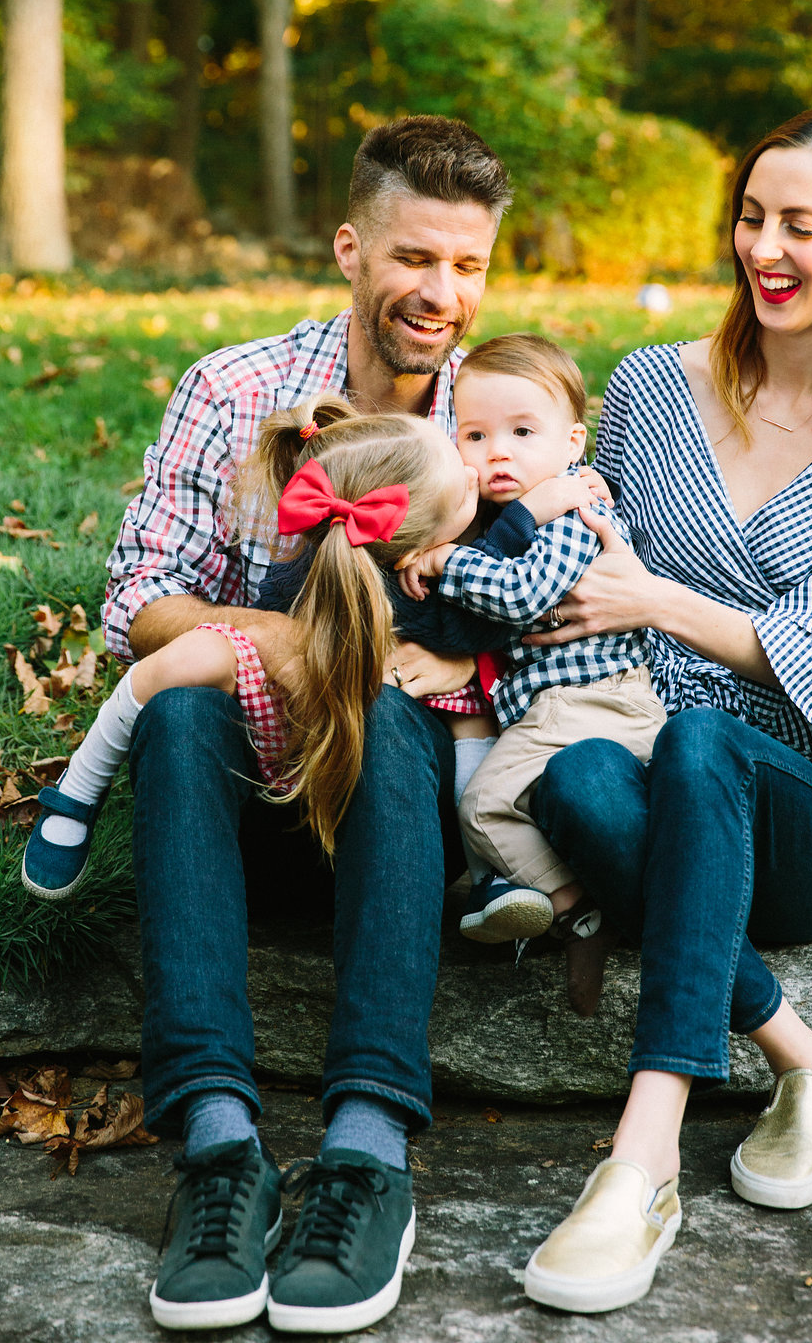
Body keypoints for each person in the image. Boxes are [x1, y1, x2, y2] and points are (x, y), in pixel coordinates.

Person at [517, 103, 812, 1315]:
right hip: (646, 781)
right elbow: (582, 556)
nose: (763, 248)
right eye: (750, 217)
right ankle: (801, 1062)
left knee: (703, 736)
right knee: (570, 783)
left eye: (800, 226)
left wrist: (662, 602)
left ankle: (642, 1155)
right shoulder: (653, 389)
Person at [67, 116, 514, 1335]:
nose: (442, 295)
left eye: (468, 266)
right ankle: (217, 1148)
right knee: (175, 708)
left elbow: (553, 606)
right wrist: (304, 642)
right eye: (415, 258)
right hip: (247, 798)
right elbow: (135, 608)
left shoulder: (501, 418)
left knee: (389, 697)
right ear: (349, 249)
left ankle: (368, 1152)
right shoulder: (234, 389)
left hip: (408, 810)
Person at [20, 396, 487, 891]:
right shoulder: (313, 565)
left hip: (394, 799)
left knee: (453, 720)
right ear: (417, 541)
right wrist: (270, 635)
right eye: (463, 493)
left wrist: (472, 663)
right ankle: (80, 787)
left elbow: (531, 624)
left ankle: (491, 860)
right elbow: (143, 594)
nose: (477, 478)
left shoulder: (475, 574)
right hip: (282, 749)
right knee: (195, 663)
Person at [400, 333, 671, 1015]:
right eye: (475, 434)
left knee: (483, 807)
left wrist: (444, 564)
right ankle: (569, 903)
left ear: (573, 442)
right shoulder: (514, 515)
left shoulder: (577, 512)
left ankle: (566, 901)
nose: (498, 451)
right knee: (503, 803)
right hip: (561, 707)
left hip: (593, 702)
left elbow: (522, 594)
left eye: (523, 431)